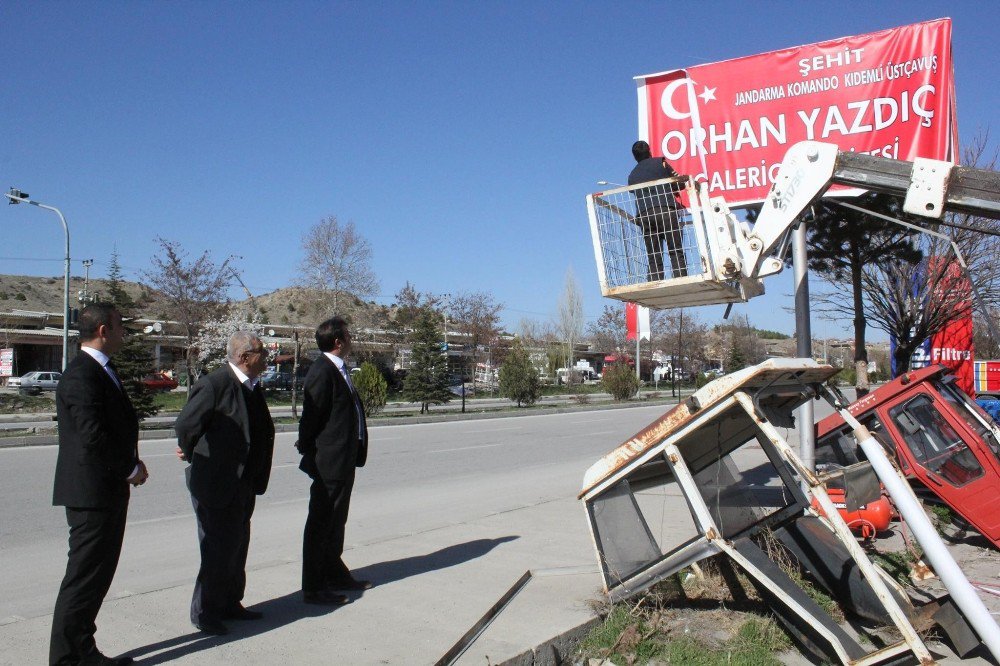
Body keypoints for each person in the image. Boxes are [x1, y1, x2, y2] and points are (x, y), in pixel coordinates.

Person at [50, 303, 148, 666]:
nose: (125, 334)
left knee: (96, 578)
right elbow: (93, 435)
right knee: (83, 578)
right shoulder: (81, 375)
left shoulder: (101, 370)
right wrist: (128, 468)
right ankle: (66, 658)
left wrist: (132, 462)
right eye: (121, 327)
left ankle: (83, 649)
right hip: (91, 494)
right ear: (105, 330)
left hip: (105, 490)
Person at [174, 332, 275, 636]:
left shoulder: (252, 387)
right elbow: (186, 425)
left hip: (243, 482)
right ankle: (206, 612)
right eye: (261, 353)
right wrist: (192, 452)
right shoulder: (215, 384)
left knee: (236, 545)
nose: (266, 358)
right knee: (216, 549)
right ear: (245, 357)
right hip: (215, 482)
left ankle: (231, 602)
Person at [298, 316, 371, 605]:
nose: (352, 339)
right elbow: (311, 418)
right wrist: (309, 452)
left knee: (336, 522)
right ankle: (314, 587)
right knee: (321, 524)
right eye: (349, 335)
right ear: (339, 341)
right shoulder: (322, 371)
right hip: (329, 462)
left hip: (343, 460)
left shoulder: (338, 369)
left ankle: (334, 572)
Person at [628, 140, 687, 280]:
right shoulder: (660, 163)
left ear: (634, 156)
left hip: (645, 215)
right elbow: (679, 182)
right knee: (675, 249)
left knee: (653, 255)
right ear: (649, 151)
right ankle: (680, 278)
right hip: (665, 210)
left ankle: (655, 281)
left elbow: (632, 190)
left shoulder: (632, 175)